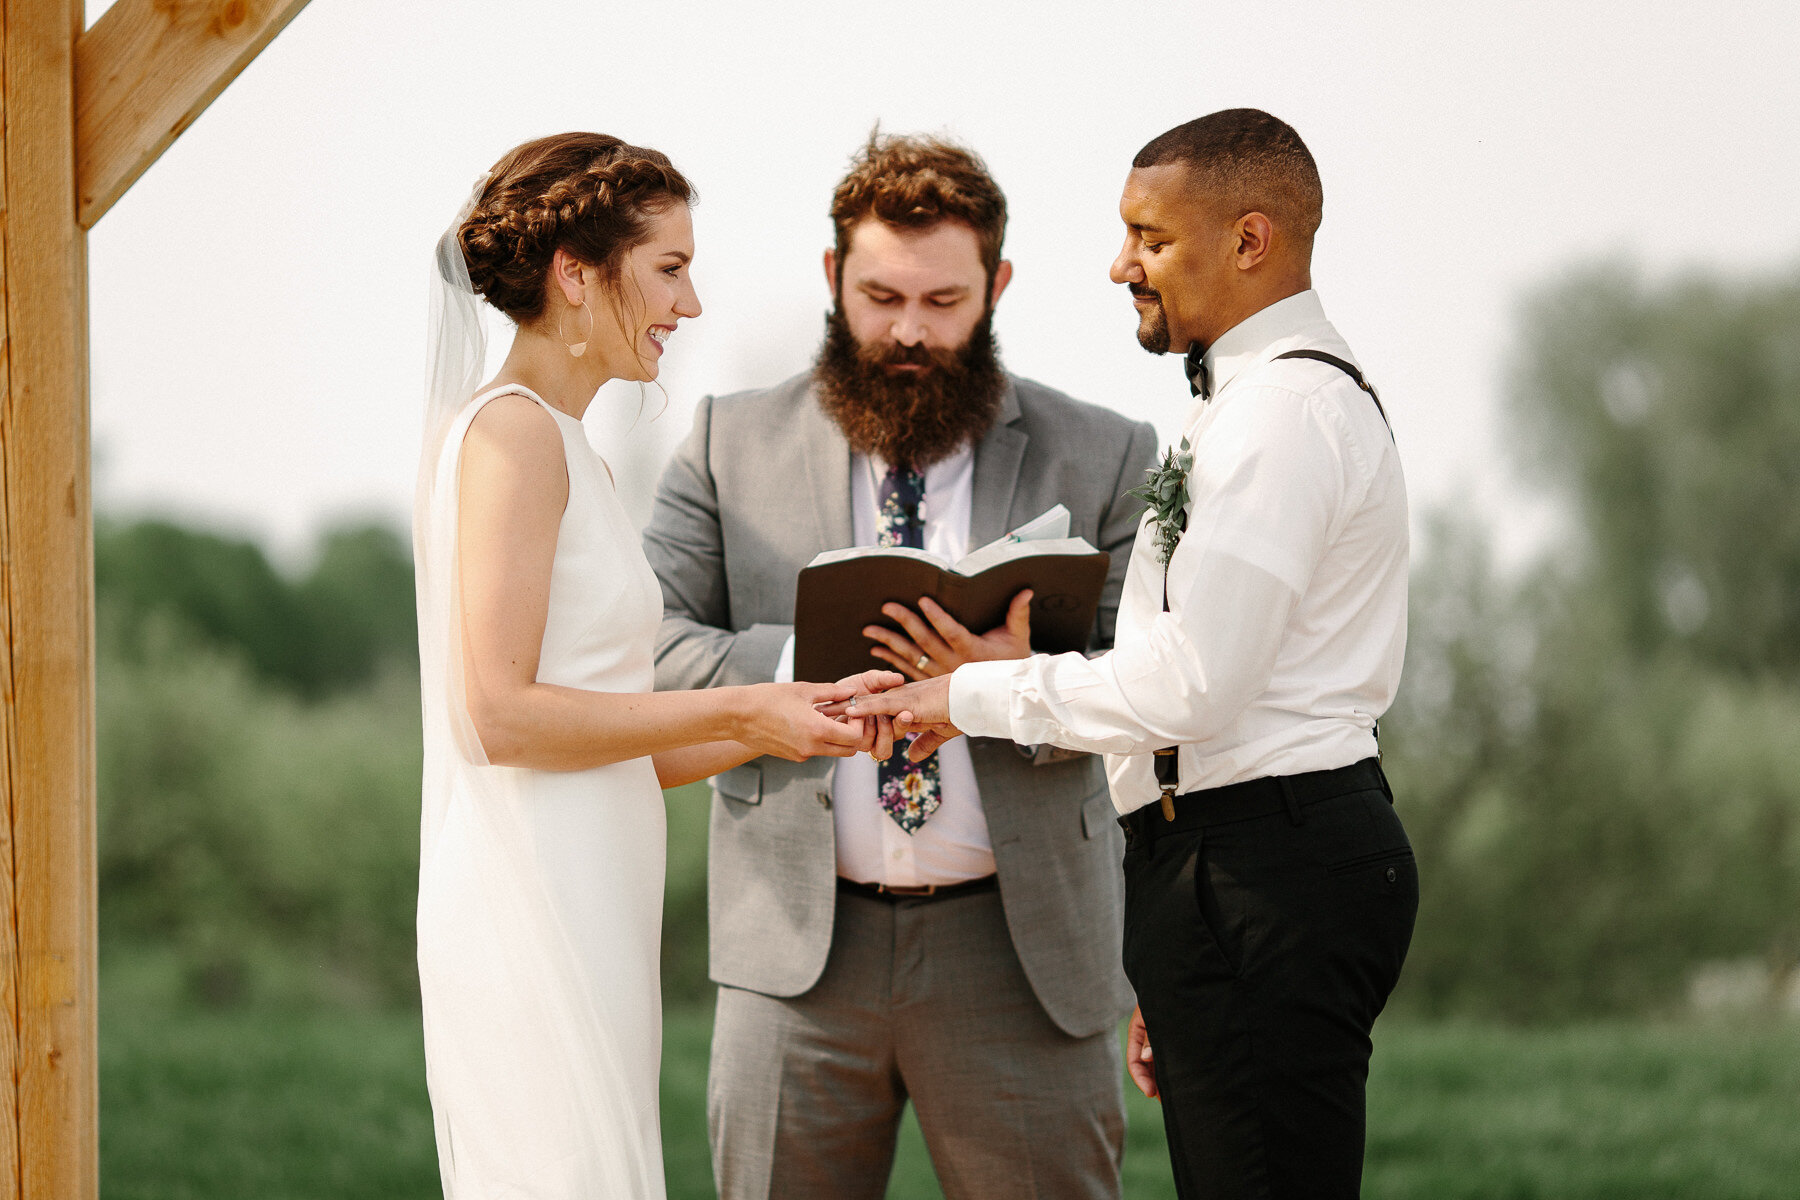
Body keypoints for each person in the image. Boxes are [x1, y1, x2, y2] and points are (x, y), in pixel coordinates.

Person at [846, 110, 1419, 1200]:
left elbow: (1194, 686)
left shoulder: (1283, 417)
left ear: (1251, 242)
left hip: (1265, 867)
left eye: (1148, 237)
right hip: (1226, 865)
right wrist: (1165, 931)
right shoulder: (1246, 403)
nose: (1122, 266)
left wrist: (962, 693)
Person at [641, 131, 1158, 1200]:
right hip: (793, 959)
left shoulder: (1108, 454)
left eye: (942, 302)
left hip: (1020, 957)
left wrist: (1009, 677)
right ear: (832, 277)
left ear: (997, 287)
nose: (908, 332)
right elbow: (646, 655)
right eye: (880, 296)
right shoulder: (720, 444)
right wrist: (817, 661)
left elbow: (1162, 687)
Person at [412, 132, 887, 1200]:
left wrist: (776, 724)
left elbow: (607, 742)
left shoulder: (570, 445)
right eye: (668, 268)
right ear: (576, 274)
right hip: (532, 902)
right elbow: (499, 717)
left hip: (595, 889)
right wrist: (744, 698)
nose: (692, 303)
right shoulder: (513, 437)